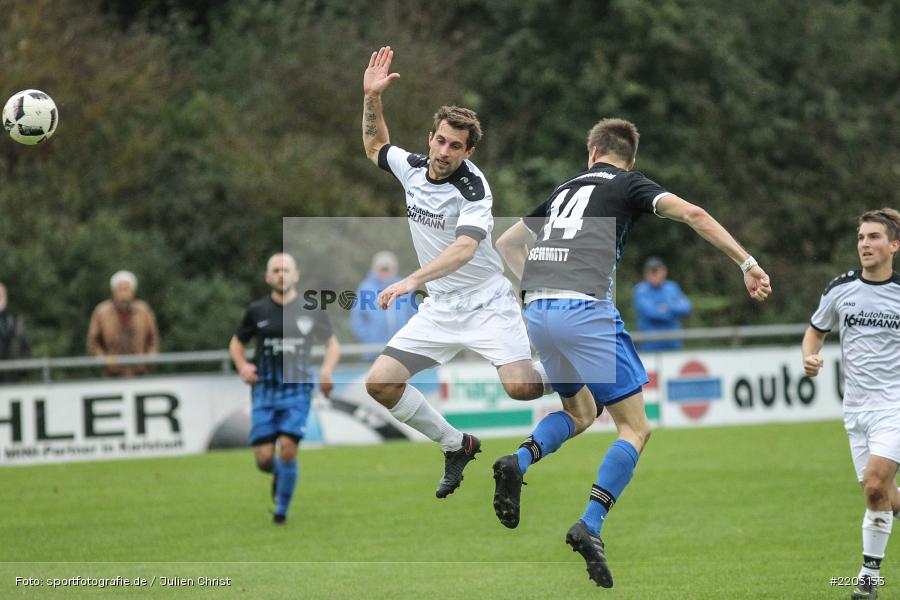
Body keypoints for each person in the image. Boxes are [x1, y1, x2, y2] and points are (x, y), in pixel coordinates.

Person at [493, 118, 771, 587]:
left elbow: (507, 243)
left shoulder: (564, 189)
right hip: (585, 310)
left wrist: (533, 291)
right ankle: (591, 525)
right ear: (630, 158)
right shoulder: (629, 183)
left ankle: (517, 462)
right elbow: (695, 215)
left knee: (580, 412)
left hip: (539, 311)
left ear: (592, 152)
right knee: (635, 427)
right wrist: (747, 262)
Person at [361, 46, 550, 499]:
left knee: (522, 388)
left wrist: (411, 280)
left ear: (469, 150)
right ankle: (456, 445)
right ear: (430, 137)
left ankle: (569, 366)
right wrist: (372, 97)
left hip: (486, 302)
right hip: (441, 307)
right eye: (440, 140)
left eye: (456, 146)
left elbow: (466, 248)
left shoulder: (473, 188)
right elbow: (374, 146)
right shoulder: (412, 168)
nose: (444, 152)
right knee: (380, 383)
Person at [802, 208, 900, 600]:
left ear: (894, 245)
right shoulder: (840, 289)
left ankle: (866, 581)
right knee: (879, 496)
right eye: (861, 237)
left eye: (874, 237)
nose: (865, 244)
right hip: (855, 410)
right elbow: (815, 330)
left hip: (894, 406)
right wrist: (809, 356)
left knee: (876, 482)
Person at [229, 253, 340, 525]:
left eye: (286, 269)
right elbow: (236, 343)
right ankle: (280, 473)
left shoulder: (311, 309)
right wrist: (243, 365)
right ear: (268, 277)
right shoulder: (256, 311)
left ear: (296, 275)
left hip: (298, 389)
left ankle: (281, 511)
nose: (281, 274)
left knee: (288, 447)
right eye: (275, 270)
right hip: (264, 390)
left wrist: (326, 371)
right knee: (264, 458)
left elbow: (332, 344)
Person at [87, 270, 159, 377]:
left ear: (133, 290)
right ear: (113, 290)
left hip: (140, 373)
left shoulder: (144, 311)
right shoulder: (102, 311)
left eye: (127, 288)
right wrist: (104, 361)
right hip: (112, 374)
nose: (124, 291)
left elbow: (153, 339)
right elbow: (94, 342)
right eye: (120, 288)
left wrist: (148, 361)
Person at [350, 250, 417, 357]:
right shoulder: (365, 288)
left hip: (402, 350)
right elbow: (357, 320)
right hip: (374, 353)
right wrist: (370, 340)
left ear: (395, 269)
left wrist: (408, 338)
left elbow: (415, 316)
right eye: (382, 269)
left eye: (387, 269)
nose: (385, 272)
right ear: (374, 269)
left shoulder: (405, 287)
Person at [632, 256, 692, 350]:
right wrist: (674, 312)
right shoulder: (641, 290)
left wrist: (667, 308)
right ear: (646, 274)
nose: (655, 275)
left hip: (673, 343)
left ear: (664, 271)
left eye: (657, 271)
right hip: (651, 345)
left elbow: (686, 308)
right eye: (652, 272)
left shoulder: (672, 287)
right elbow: (651, 313)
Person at [0, 283, 31, 382]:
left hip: (12, 371)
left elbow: (24, 344)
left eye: (1, 295)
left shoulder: (14, 318)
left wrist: (24, 369)